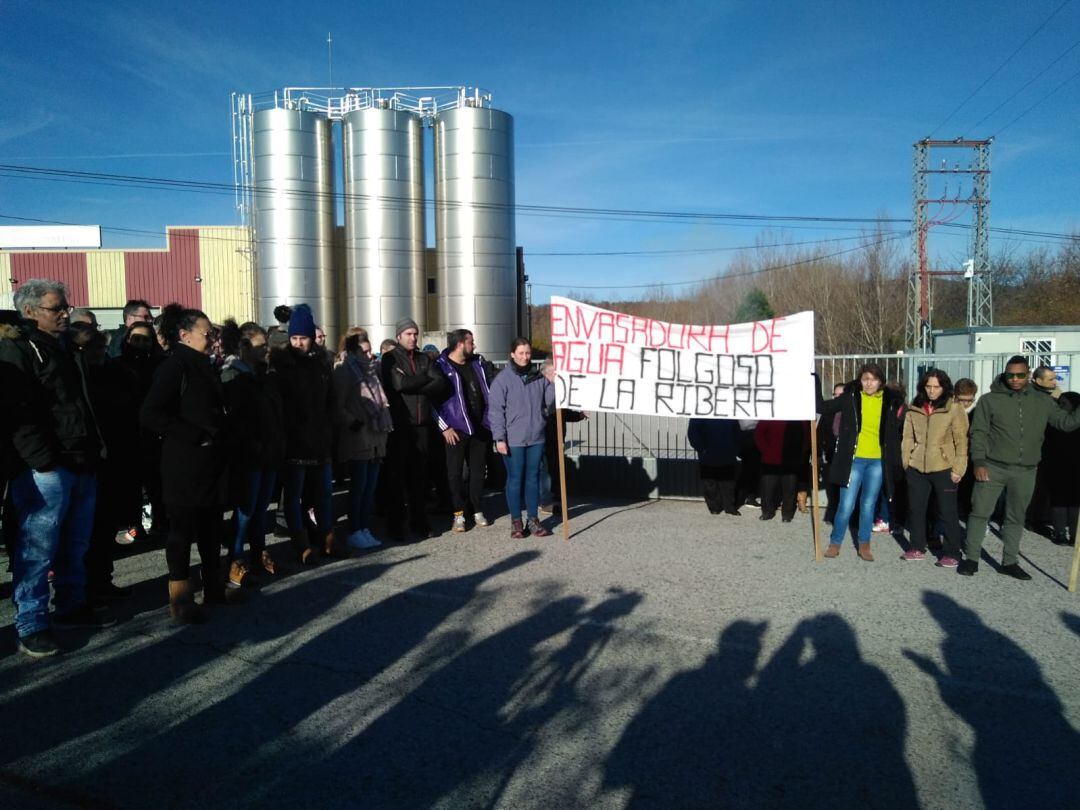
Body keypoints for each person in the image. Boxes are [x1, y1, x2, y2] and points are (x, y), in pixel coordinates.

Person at [1, 280, 113, 658]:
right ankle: (31, 622)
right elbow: (18, 412)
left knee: (76, 542)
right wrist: (42, 461)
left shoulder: (67, 348)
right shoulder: (18, 349)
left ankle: (70, 605)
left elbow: (81, 404)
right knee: (37, 548)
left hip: (82, 459)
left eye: (65, 306)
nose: (65, 313)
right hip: (46, 468)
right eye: (56, 308)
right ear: (30, 311)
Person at [141, 304, 231, 622]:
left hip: (211, 465)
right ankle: (180, 598)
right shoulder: (174, 366)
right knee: (182, 533)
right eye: (207, 333)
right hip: (184, 465)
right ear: (185, 335)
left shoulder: (205, 364)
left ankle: (214, 588)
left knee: (210, 530)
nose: (212, 339)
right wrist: (196, 435)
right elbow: (151, 414)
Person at [961, 356, 1080, 579]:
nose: (1015, 379)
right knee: (980, 513)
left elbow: (1066, 423)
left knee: (1016, 517)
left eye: (1020, 375)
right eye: (1010, 375)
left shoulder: (1043, 401)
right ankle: (971, 559)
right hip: (992, 466)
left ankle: (1009, 562)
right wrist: (978, 462)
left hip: (1026, 470)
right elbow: (978, 433)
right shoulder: (989, 400)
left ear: (1028, 375)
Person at [816, 364, 904, 561]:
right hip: (854, 460)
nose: (869, 383)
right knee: (846, 504)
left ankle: (864, 544)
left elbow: (896, 429)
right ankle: (835, 542)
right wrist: (814, 381)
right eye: (865, 379)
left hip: (876, 461)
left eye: (873, 379)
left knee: (868, 505)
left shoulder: (889, 401)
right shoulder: (851, 398)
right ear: (860, 380)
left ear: (880, 381)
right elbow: (822, 407)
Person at [271, 304, 336, 562]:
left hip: (319, 439)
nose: (298, 343)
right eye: (294, 338)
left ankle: (326, 538)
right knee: (294, 495)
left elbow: (330, 400)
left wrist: (330, 429)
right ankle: (300, 543)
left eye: (303, 338)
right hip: (294, 441)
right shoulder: (282, 365)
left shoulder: (322, 362)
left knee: (322, 494)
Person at [220, 320, 284, 584]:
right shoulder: (232, 375)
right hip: (250, 453)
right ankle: (235, 558)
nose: (265, 351)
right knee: (246, 509)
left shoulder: (263, 374)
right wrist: (252, 442)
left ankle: (258, 552)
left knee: (259, 508)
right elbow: (237, 419)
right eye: (260, 346)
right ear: (244, 346)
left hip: (268, 449)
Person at [380, 316, 447, 541]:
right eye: (408, 334)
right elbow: (399, 385)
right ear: (399, 336)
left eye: (415, 333)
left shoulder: (423, 358)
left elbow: (440, 383)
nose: (413, 337)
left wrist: (416, 381)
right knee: (397, 479)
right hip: (400, 426)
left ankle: (420, 522)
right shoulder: (390, 358)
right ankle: (396, 525)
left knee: (419, 478)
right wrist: (423, 379)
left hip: (423, 426)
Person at [488, 338, 556, 539]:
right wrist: (499, 438)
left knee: (533, 479)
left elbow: (549, 405)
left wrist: (552, 383)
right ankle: (516, 521)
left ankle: (533, 520)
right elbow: (495, 412)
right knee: (515, 480)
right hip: (513, 439)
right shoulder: (502, 380)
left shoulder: (538, 377)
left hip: (536, 436)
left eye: (527, 353)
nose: (525, 357)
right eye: (521, 353)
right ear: (512, 354)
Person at [900, 369, 968, 567]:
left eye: (936, 387)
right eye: (928, 386)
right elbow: (908, 436)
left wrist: (959, 468)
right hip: (917, 466)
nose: (932, 391)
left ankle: (952, 552)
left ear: (944, 387)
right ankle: (917, 547)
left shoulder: (954, 407)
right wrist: (907, 460)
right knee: (916, 509)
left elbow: (961, 440)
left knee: (947, 511)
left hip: (944, 466)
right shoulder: (915, 406)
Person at [433, 329, 497, 532]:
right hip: (456, 430)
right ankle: (458, 513)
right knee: (455, 474)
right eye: (471, 342)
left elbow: (492, 385)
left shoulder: (477, 364)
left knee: (478, 471)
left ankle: (476, 509)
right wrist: (444, 427)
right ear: (460, 343)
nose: (474, 346)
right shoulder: (440, 367)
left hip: (480, 428)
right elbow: (432, 401)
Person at [334, 333, 392, 550]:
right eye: (365, 351)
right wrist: (353, 421)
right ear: (354, 351)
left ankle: (364, 527)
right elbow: (338, 405)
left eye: (371, 350)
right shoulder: (345, 371)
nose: (370, 355)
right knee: (358, 487)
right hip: (358, 436)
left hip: (376, 436)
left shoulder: (371, 371)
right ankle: (353, 529)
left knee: (370, 488)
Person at [754, 420, 811, 522]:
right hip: (770, 459)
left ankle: (787, 514)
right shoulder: (772, 414)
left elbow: (806, 436)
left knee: (790, 489)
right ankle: (767, 512)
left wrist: (800, 451)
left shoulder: (801, 416)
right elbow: (759, 433)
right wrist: (766, 451)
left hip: (791, 458)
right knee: (767, 488)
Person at [1044, 391, 1080, 546]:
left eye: (1064, 404)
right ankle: (1059, 533)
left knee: (1074, 503)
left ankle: (1074, 534)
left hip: (1076, 468)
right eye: (1060, 403)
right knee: (1058, 502)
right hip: (1056, 467)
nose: (1061, 407)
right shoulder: (1054, 423)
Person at [687, 418, 742, 516]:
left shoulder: (729, 413)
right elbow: (693, 433)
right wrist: (701, 448)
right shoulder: (699, 415)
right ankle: (715, 507)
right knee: (710, 483)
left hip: (726, 453)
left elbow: (737, 433)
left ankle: (729, 507)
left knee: (728, 483)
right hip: (708, 454)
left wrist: (735, 449)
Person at [818, 382, 846, 523]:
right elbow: (819, 433)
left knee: (847, 488)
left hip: (847, 456)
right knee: (832, 488)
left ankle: (849, 516)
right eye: (836, 394)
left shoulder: (851, 411)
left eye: (841, 395)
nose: (838, 397)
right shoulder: (829, 412)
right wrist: (817, 455)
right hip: (830, 455)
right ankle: (832, 514)